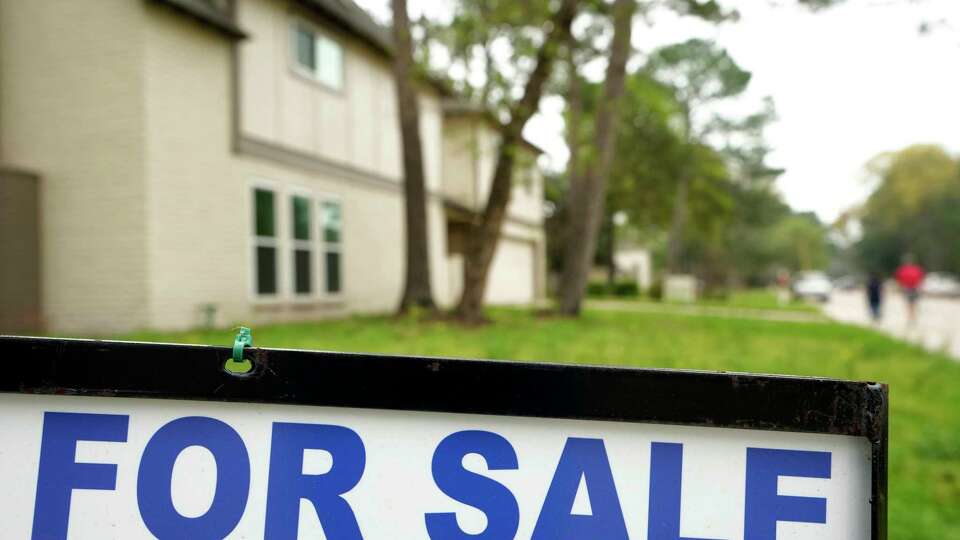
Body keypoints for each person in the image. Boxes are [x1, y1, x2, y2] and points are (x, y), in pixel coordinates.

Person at [894, 255, 925, 326]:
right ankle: (911, 318)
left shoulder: (916, 269)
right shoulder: (903, 270)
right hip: (908, 289)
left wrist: (919, 287)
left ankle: (912, 318)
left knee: (912, 305)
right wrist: (901, 287)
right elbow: (899, 280)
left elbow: (921, 279)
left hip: (914, 288)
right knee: (910, 305)